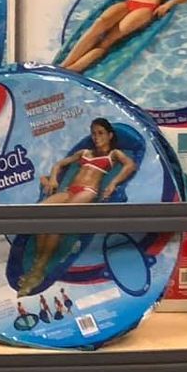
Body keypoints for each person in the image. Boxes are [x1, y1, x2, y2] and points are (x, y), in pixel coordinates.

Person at [21, 117, 136, 293]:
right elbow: (59, 164)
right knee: (40, 212)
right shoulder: (84, 153)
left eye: (100, 133)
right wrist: (52, 179)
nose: (96, 137)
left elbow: (130, 165)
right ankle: (38, 260)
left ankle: (39, 268)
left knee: (58, 221)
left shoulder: (114, 154)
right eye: (93, 133)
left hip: (88, 191)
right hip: (70, 190)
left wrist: (113, 184)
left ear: (110, 135)